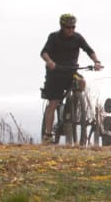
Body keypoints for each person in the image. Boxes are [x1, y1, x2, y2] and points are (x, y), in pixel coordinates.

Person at [40, 13, 102, 143]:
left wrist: (96, 62)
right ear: (62, 26)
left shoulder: (78, 38)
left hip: (71, 71)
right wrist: (50, 62)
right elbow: (44, 52)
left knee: (81, 83)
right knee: (53, 102)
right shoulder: (54, 37)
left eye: (73, 27)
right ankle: (48, 134)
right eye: (68, 27)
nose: (71, 30)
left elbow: (89, 50)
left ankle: (74, 107)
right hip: (55, 73)